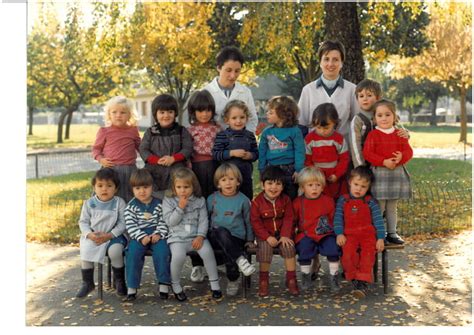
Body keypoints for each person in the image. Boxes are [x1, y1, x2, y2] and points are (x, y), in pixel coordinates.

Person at [162, 167, 222, 301]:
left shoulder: (199, 201)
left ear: (193, 186)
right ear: (174, 187)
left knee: (207, 252)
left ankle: (215, 284)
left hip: (196, 237)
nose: (183, 190)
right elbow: (170, 222)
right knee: (178, 256)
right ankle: (176, 285)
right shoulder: (168, 200)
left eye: (186, 187)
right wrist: (180, 208)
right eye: (179, 187)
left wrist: (200, 236)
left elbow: (203, 220)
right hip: (177, 238)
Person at [363, 99, 413, 245]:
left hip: (396, 174)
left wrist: (401, 157)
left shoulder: (400, 134)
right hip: (380, 174)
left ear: (394, 116)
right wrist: (383, 161)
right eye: (380, 115)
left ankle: (392, 232)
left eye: (387, 114)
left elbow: (408, 151)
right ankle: (380, 233)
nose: (384, 118)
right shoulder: (373, 135)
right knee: (380, 206)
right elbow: (368, 153)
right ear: (374, 118)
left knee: (392, 206)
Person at [334, 166, 385, 298]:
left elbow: (379, 221)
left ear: (368, 188)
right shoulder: (343, 200)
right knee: (348, 254)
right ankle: (353, 277)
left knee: (368, 255)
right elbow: (338, 218)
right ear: (350, 182)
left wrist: (380, 238)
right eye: (356, 184)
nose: (359, 189)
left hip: (367, 235)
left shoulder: (370, 202)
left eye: (363, 186)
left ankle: (362, 282)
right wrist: (339, 233)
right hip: (349, 235)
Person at [76, 168, 127, 298]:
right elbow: (83, 222)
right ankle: (87, 283)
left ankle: (120, 281)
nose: (104, 189)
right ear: (94, 187)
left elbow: (123, 223)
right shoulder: (89, 203)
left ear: (115, 189)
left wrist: (110, 235)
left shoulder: (119, 203)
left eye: (109, 186)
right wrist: (89, 234)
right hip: (94, 236)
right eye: (100, 186)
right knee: (86, 249)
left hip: (114, 236)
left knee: (115, 252)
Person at [183, 46, 258, 133]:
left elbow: (252, 120)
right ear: (219, 68)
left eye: (237, 71)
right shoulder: (205, 92)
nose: (233, 75)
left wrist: (243, 138)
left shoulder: (245, 92)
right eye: (228, 70)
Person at [207, 163, 256, 296]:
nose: (228, 183)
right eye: (223, 180)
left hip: (236, 236)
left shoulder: (243, 200)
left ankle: (233, 279)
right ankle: (241, 260)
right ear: (218, 184)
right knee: (220, 231)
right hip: (215, 236)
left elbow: (248, 221)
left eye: (231, 179)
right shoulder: (212, 199)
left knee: (229, 252)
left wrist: (250, 239)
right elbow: (205, 219)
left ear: (238, 181)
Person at [250, 166, 299, 297]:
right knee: (265, 250)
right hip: (265, 235)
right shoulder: (256, 202)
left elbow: (289, 218)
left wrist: (285, 235)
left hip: (282, 233)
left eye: (278, 184)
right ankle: (264, 281)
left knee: (289, 247)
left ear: (282, 187)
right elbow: (256, 222)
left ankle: (291, 279)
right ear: (262, 185)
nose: (274, 187)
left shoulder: (286, 200)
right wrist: (266, 237)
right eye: (270, 183)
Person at [298, 40, 359, 142]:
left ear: (342, 63)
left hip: (343, 152)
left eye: (335, 59)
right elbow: (301, 124)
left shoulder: (352, 90)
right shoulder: (308, 90)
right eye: (326, 59)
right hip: (314, 152)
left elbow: (357, 123)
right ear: (320, 62)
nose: (330, 64)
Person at [124, 169, 171, 301]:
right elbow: (130, 225)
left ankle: (163, 284)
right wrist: (141, 236)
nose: (142, 191)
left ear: (152, 187)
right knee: (133, 253)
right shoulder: (131, 207)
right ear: (132, 189)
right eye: (138, 188)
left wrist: (159, 233)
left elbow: (164, 220)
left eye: (146, 187)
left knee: (162, 252)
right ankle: (132, 287)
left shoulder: (159, 204)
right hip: (138, 235)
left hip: (156, 233)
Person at [293, 166, 341, 292]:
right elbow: (292, 221)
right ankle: (305, 276)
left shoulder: (328, 201)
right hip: (306, 233)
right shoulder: (298, 202)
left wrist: (338, 234)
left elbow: (334, 219)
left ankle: (334, 276)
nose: (314, 188)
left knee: (333, 248)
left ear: (322, 186)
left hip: (325, 233)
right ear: (303, 187)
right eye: (310, 185)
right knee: (304, 248)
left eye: (318, 185)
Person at [139, 94, 193, 200]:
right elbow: (143, 149)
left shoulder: (182, 131)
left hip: (176, 168)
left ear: (175, 113)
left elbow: (188, 148)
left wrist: (174, 158)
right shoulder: (150, 132)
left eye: (170, 112)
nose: (166, 115)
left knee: (176, 191)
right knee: (151, 190)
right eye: (162, 112)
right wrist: (157, 160)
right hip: (154, 168)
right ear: (156, 114)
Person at [350, 79, 409, 168]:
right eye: (361, 96)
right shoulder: (358, 120)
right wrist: (360, 168)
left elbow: (396, 131)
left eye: (369, 95)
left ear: (378, 98)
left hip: (384, 163)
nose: (365, 99)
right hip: (364, 164)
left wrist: (406, 134)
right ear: (357, 99)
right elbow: (355, 146)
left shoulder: (385, 115)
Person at [92, 96, 141, 202]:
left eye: (123, 112)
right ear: (109, 114)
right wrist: (101, 159)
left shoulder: (133, 130)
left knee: (130, 197)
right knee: (109, 196)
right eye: (114, 112)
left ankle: (128, 217)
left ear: (130, 115)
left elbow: (141, 147)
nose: (118, 115)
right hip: (110, 170)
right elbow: (96, 149)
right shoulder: (104, 131)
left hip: (129, 170)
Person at [258, 96, 305, 200]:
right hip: (271, 168)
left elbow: (300, 151)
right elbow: (262, 151)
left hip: (290, 170)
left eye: (271, 112)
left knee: (290, 195)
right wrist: (262, 169)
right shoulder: (267, 132)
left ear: (283, 115)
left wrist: (298, 170)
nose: (267, 114)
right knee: (273, 195)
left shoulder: (295, 131)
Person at [212, 100, 258, 201]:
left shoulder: (250, 136)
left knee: (246, 198)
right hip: (228, 178)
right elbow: (216, 154)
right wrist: (231, 153)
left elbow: (256, 153)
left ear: (247, 118)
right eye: (234, 118)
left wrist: (250, 155)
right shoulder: (222, 135)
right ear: (227, 120)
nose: (238, 121)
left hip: (245, 175)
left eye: (242, 117)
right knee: (229, 199)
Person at [304, 102, 350, 199]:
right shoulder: (309, 139)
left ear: (335, 123)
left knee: (338, 199)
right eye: (318, 127)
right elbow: (307, 160)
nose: (322, 131)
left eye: (326, 127)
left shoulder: (339, 139)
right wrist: (316, 176)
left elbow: (344, 159)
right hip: (317, 179)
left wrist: (336, 175)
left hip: (335, 177)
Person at [186, 90, 222, 199]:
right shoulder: (190, 130)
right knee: (199, 191)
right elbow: (187, 149)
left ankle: (213, 213)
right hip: (196, 166)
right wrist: (188, 165)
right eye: (200, 111)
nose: (205, 114)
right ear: (193, 111)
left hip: (214, 164)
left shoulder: (217, 128)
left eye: (208, 110)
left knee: (214, 190)